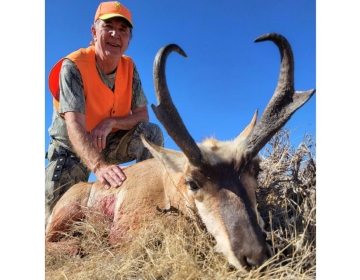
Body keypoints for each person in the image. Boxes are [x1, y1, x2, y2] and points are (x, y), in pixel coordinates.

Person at [45, 1, 164, 223]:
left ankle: (144, 209)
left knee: (152, 133)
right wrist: (99, 167)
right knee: (53, 220)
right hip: (72, 148)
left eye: (122, 30)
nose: (115, 34)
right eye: (107, 26)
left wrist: (109, 123)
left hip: (108, 141)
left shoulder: (129, 67)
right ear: (94, 31)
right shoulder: (73, 66)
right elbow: (74, 125)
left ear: (129, 38)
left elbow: (142, 116)